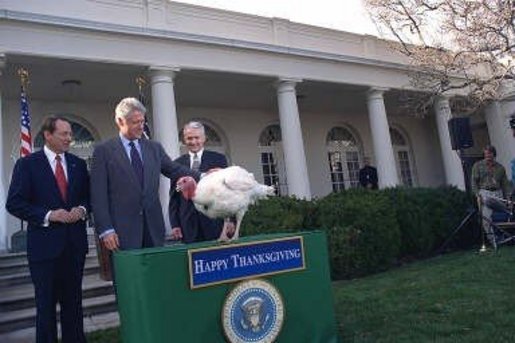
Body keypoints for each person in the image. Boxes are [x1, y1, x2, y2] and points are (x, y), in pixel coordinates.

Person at [6, 117, 89, 343]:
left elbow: (87, 198)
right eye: (64, 134)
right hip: (44, 250)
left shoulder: (78, 164)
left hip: (74, 247)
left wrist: (81, 210)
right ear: (48, 135)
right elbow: (14, 203)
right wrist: (49, 215)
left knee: (74, 305)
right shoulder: (27, 164)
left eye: (70, 134)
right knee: (46, 308)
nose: (69, 139)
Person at [90, 97, 200, 252]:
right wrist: (106, 229)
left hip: (153, 229)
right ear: (120, 121)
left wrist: (202, 176)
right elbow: (98, 195)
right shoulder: (104, 151)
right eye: (136, 122)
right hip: (121, 232)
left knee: (154, 274)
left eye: (142, 122)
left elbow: (174, 169)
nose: (141, 126)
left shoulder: (153, 148)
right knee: (128, 276)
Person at [169, 121, 228, 243]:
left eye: (197, 138)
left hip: (214, 222)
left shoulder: (219, 159)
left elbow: (227, 192)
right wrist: (175, 224)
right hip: (187, 224)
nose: (193, 142)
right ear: (184, 139)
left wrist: (230, 221)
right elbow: (174, 197)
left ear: (204, 138)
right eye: (189, 138)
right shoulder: (177, 164)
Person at [471, 145, 511, 244]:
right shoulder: (477, 166)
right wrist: (477, 195)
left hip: (497, 193)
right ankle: (493, 240)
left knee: (506, 213)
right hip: (484, 192)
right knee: (486, 216)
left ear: (494, 154)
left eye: (490, 153)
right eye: (486, 154)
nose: (488, 155)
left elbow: (505, 184)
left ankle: (506, 235)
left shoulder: (500, 168)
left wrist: (509, 197)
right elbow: (474, 182)